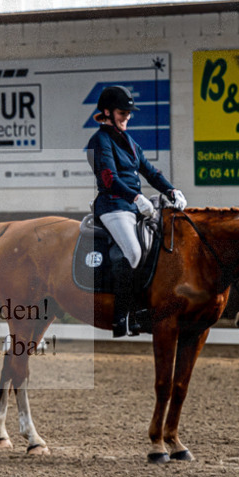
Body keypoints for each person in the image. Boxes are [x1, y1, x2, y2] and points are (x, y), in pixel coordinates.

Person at [86, 85, 186, 337]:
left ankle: (144, 309)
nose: (127, 116)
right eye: (122, 112)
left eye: (129, 112)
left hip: (133, 205)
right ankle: (121, 318)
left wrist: (171, 191)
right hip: (113, 206)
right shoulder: (100, 140)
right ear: (107, 112)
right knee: (133, 251)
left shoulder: (129, 142)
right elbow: (108, 178)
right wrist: (137, 196)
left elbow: (150, 172)